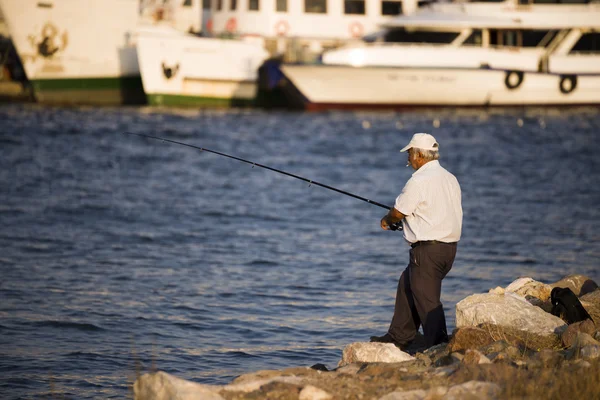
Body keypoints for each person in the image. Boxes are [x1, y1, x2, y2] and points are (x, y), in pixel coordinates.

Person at [371, 133, 462, 350]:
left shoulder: (418, 181)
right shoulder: (450, 178)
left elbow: (398, 212)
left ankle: (440, 347)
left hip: (428, 251)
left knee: (427, 300)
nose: (408, 159)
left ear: (420, 155)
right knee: (407, 284)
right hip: (448, 250)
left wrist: (387, 220)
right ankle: (398, 338)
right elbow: (435, 213)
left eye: (410, 154)